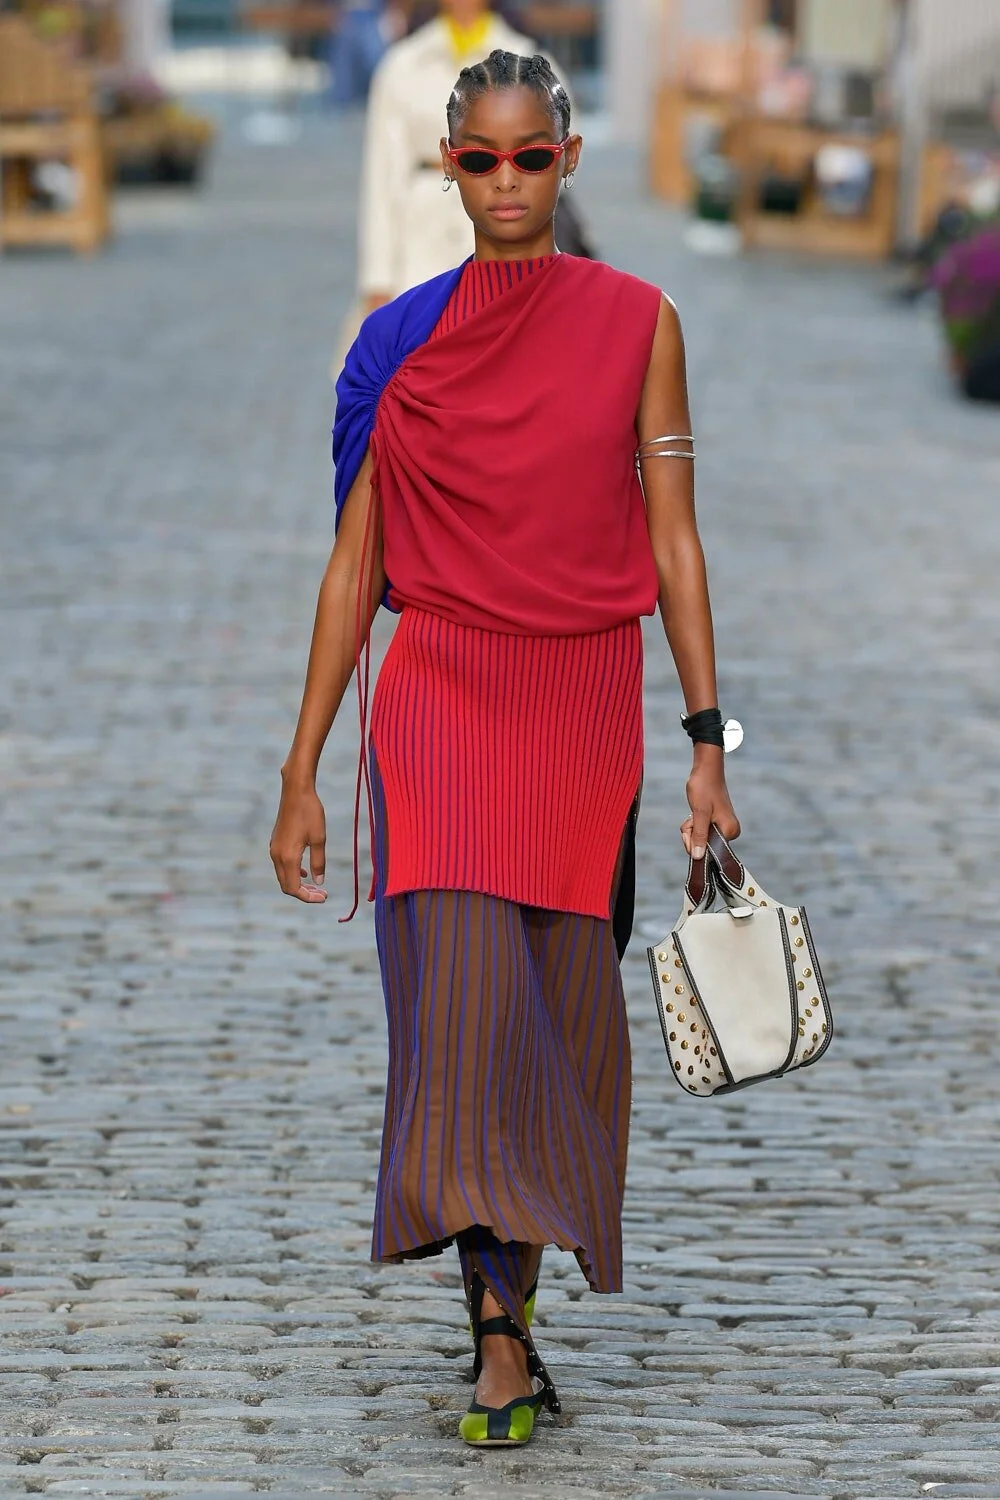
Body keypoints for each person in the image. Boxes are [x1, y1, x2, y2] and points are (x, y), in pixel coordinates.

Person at [271, 49, 740, 1448]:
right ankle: (495, 1334)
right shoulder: (396, 345)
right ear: (449, 167)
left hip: (584, 713)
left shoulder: (640, 322)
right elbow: (354, 566)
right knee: (465, 1022)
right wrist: (300, 769)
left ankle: (512, 1316)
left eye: (531, 156)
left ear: (570, 158)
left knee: (551, 1025)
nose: (506, 182)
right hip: (441, 710)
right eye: (479, 160)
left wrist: (710, 742)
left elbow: (675, 541)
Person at [355, 0, 588, 316]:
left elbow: (559, 149)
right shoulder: (402, 65)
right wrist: (377, 279)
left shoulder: (530, 61)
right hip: (421, 232)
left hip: (508, 235)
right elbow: (382, 177)